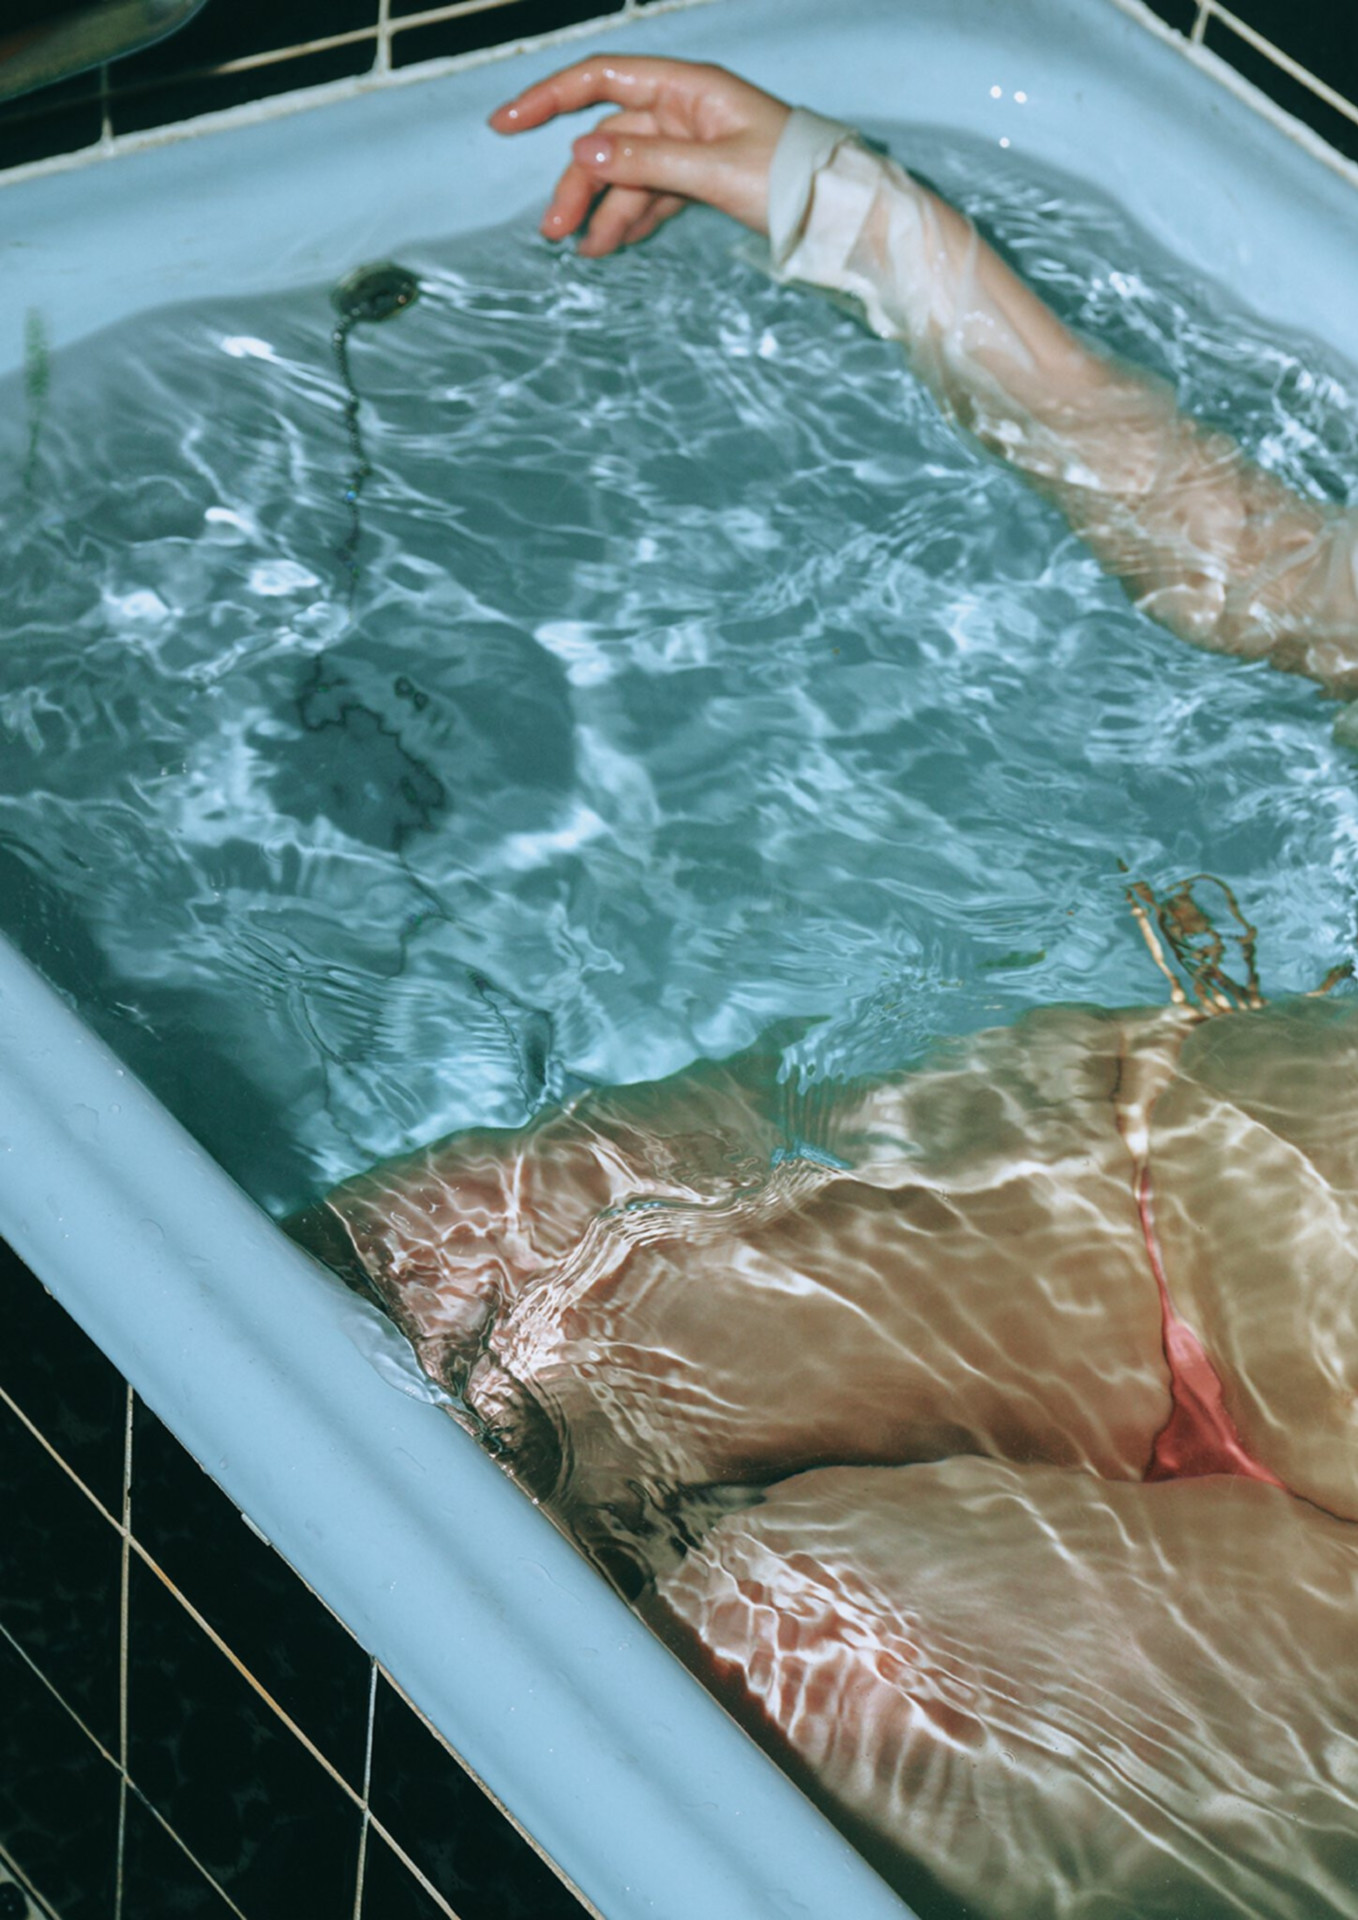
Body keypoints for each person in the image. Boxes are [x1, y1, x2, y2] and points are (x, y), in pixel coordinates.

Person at [291, 59, 1358, 1920]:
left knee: (803, 1647)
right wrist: (843, 211)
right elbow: (1251, 569)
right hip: (1141, 1191)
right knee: (426, 1274)